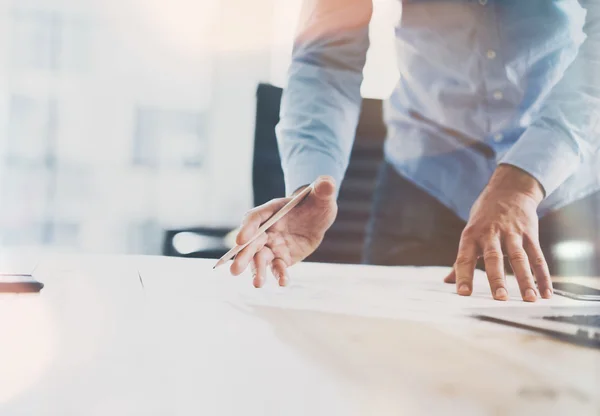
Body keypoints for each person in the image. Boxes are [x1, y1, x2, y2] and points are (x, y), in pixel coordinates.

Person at [230, 0, 600, 302]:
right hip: (423, 182)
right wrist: (308, 187)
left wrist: (524, 179)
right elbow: (325, 60)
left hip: (564, 189)